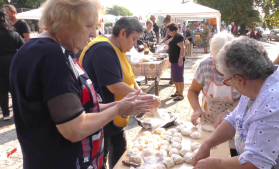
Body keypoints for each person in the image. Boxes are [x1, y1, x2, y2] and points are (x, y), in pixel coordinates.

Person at [9, 1, 155, 168]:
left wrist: (118, 104)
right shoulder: (51, 54)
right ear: (67, 22)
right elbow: (74, 129)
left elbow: (78, 110)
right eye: (88, 26)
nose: (93, 33)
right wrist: (119, 109)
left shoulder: (48, 49)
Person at [192, 36, 279, 169]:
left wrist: (215, 164)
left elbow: (255, 162)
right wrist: (207, 143)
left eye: (228, 80)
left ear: (239, 79)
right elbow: (234, 119)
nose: (229, 83)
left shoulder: (274, 101)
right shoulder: (257, 82)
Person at [78, 17, 161, 169]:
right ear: (123, 33)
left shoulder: (118, 48)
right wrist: (146, 98)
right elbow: (115, 86)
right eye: (134, 39)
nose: (135, 44)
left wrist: (140, 92)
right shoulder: (102, 49)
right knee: (100, 161)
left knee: (120, 157)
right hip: (103, 119)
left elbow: (129, 77)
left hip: (116, 117)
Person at [188, 32, 240, 157]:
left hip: (234, 126)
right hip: (208, 123)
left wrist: (228, 112)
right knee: (211, 154)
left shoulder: (240, 69)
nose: (220, 65)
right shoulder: (206, 66)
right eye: (217, 60)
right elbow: (192, 91)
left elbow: (249, 99)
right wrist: (197, 109)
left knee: (230, 156)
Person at [0, 10, 24, 121]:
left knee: (1, 90)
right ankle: (19, 111)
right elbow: (23, 48)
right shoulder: (13, 33)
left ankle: (5, 113)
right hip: (12, 62)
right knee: (14, 88)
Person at [167, 23, 185, 101]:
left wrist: (180, 58)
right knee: (176, 77)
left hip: (177, 61)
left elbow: (182, 48)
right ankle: (177, 92)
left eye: (169, 31)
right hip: (174, 60)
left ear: (173, 30)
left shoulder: (178, 37)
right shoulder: (174, 37)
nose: (168, 32)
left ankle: (181, 94)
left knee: (179, 77)